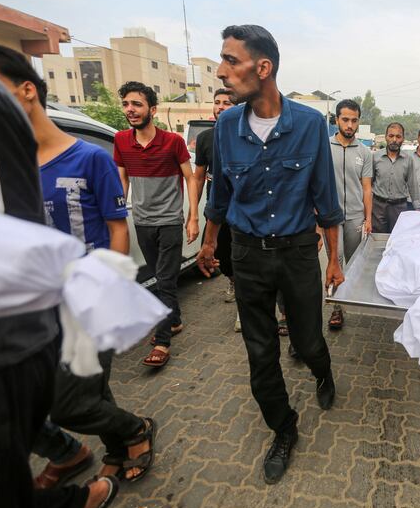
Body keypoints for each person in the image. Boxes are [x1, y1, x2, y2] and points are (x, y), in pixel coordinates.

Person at [197, 24, 344, 484]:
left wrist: (335, 260)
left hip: (299, 253)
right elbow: (219, 193)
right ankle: (284, 426)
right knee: (260, 354)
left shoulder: (308, 124)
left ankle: (323, 372)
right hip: (248, 255)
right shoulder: (224, 125)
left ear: (263, 68)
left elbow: (326, 197)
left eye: (230, 61)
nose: (221, 72)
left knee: (307, 341)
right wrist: (207, 241)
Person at [0, 55, 116, 508]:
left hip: (82, 293)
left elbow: (116, 225)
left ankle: (129, 435)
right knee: (72, 395)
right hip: (37, 300)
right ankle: (73, 451)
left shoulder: (90, 156)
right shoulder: (12, 161)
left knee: (77, 396)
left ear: (26, 90)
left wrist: (110, 284)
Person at [114, 81, 199, 367]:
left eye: (136, 104)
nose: (130, 110)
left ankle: (163, 341)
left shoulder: (173, 142)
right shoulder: (121, 141)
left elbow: (190, 178)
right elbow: (123, 179)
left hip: (170, 221)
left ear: (152, 109)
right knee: (160, 276)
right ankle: (173, 321)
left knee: (164, 280)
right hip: (142, 221)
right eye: (126, 104)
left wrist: (193, 217)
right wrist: (117, 215)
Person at [325, 98, 373, 331]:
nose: (350, 125)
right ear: (337, 120)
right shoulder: (324, 148)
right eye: (345, 119)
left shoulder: (364, 152)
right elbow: (318, 185)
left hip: (355, 216)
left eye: (354, 120)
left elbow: (366, 188)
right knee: (337, 259)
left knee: (353, 260)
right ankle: (337, 309)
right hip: (331, 218)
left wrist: (368, 218)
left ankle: (349, 297)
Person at [195, 87, 238, 330]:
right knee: (220, 256)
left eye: (227, 103)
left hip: (242, 212)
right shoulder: (205, 139)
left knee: (242, 258)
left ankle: (245, 306)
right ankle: (233, 281)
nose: (220, 107)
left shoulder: (244, 137)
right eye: (217, 102)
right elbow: (199, 177)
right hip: (217, 211)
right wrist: (193, 214)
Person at [371, 122, 420, 233]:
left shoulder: (408, 160)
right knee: (378, 238)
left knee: (397, 239)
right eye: (391, 136)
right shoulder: (375, 157)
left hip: (399, 207)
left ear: (403, 139)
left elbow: (412, 184)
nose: (394, 139)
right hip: (378, 207)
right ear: (386, 137)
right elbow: (369, 183)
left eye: (398, 136)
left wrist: (417, 207)